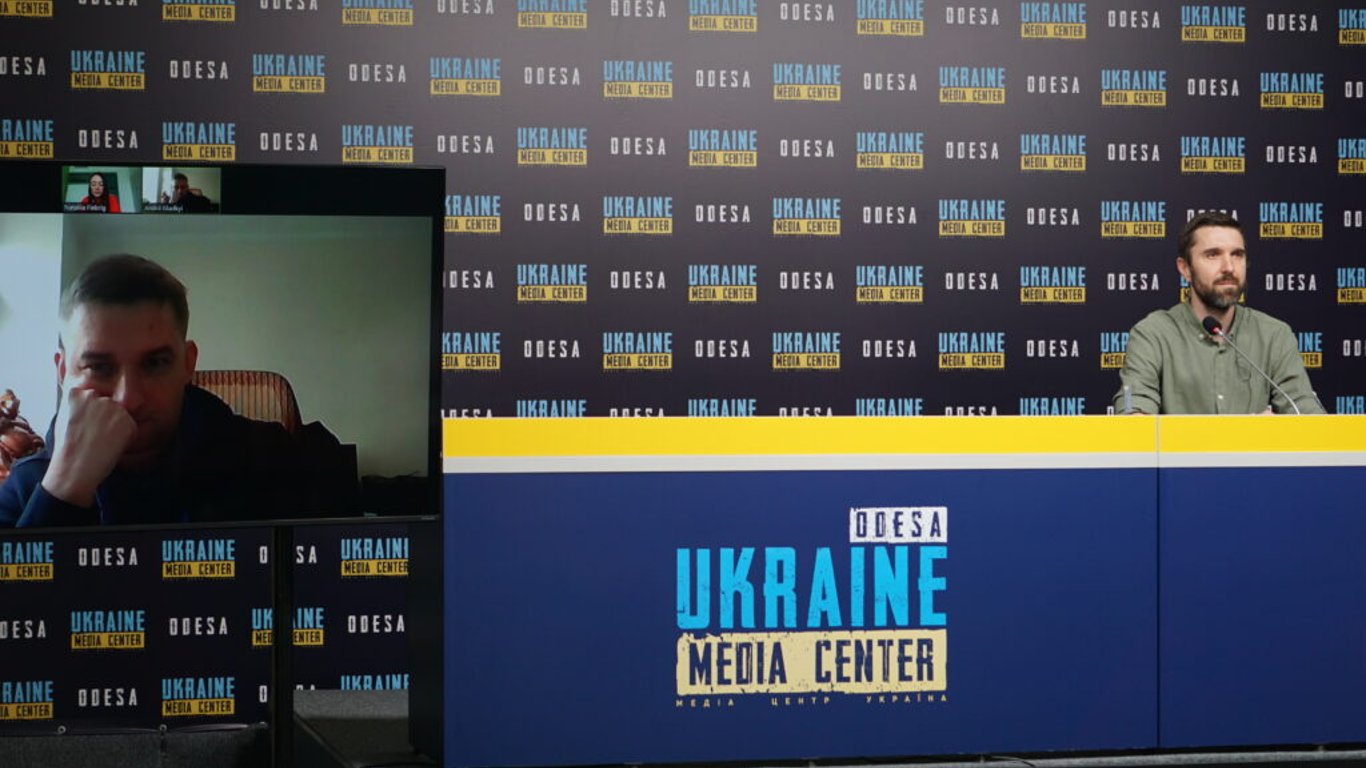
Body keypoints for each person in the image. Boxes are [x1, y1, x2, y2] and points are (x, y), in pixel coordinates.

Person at [0, 255, 337, 527]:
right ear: (62, 372)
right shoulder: (25, 487)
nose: (128, 398)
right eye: (99, 367)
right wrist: (62, 491)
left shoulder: (272, 460)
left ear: (188, 363)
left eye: (155, 363)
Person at [1113, 212, 1324, 415]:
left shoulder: (1274, 335)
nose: (1229, 267)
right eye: (1212, 255)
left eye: (1237, 255)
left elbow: (1308, 416)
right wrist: (1243, 432)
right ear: (1185, 268)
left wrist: (1275, 428)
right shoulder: (1152, 334)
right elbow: (1131, 406)